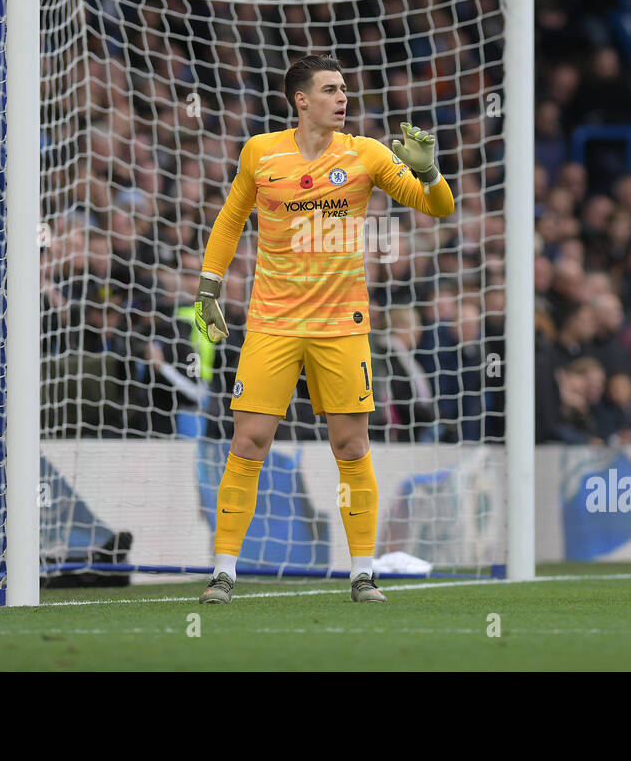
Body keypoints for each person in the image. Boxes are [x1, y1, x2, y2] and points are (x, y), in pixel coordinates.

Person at [191, 54, 455, 604]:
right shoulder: (261, 153)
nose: (343, 98)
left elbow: (439, 209)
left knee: (351, 445)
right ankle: (223, 572)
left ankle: (363, 572)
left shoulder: (367, 155)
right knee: (248, 440)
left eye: (345, 89)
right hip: (273, 323)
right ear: (301, 100)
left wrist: (429, 170)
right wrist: (210, 286)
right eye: (331, 90)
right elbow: (230, 219)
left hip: (342, 325)